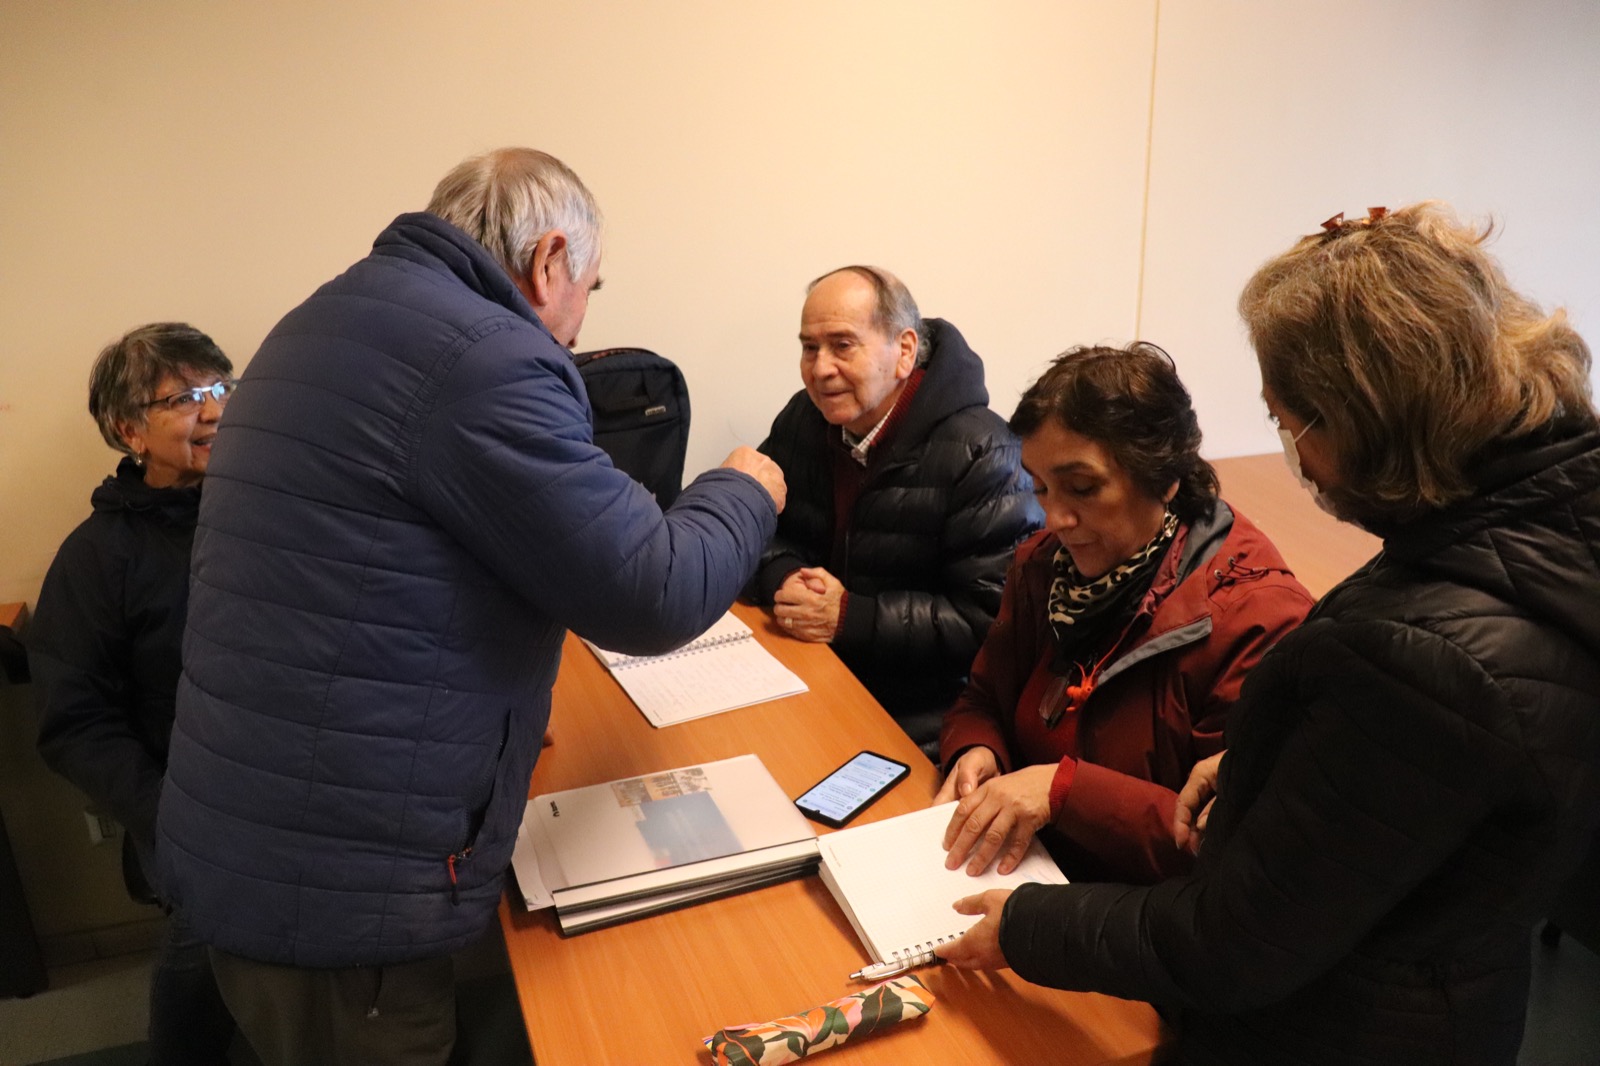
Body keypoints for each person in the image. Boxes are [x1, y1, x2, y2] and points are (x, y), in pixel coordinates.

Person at [155, 148, 786, 1066]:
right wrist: (743, 490)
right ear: (549, 261)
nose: (579, 323)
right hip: (339, 889)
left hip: (271, 831)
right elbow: (654, 592)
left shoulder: (331, 316)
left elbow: (377, 578)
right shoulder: (481, 361)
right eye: (591, 288)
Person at [941, 203, 1600, 1066]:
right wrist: (1273, 762)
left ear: (1362, 417)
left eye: (1290, 421)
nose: (1291, 447)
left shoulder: (1410, 651)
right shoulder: (1531, 547)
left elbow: (1235, 938)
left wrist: (1032, 920)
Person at [936, 343, 1313, 884]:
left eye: (1083, 488)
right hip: (1032, 876)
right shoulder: (1042, 565)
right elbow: (982, 698)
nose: (1055, 518)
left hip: (1145, 924)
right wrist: (976, 747)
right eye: (1039, 487)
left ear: (1163, 477)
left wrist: (1064, 793)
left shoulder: (1254, 619)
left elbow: (1227, 843)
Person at [30, 323, 237, 1064]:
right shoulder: (98, 559)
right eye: (185, 398)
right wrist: (170, 816)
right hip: (186, 808)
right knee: (211, 947)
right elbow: (73, 721)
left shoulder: (268, 509)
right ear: (129, 431)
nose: (215, 410)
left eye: (222, 388)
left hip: (297, 780)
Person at [751, 266, 1040, 752]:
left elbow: (991, 625)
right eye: (809, 347)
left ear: (904, 351)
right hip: (813, 670)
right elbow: (754, 523)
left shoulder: (985, 452)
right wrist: (784, 576)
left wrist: (849, 616)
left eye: (842, 345)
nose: (820, 369)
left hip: (927, 717)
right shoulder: (806, 417)